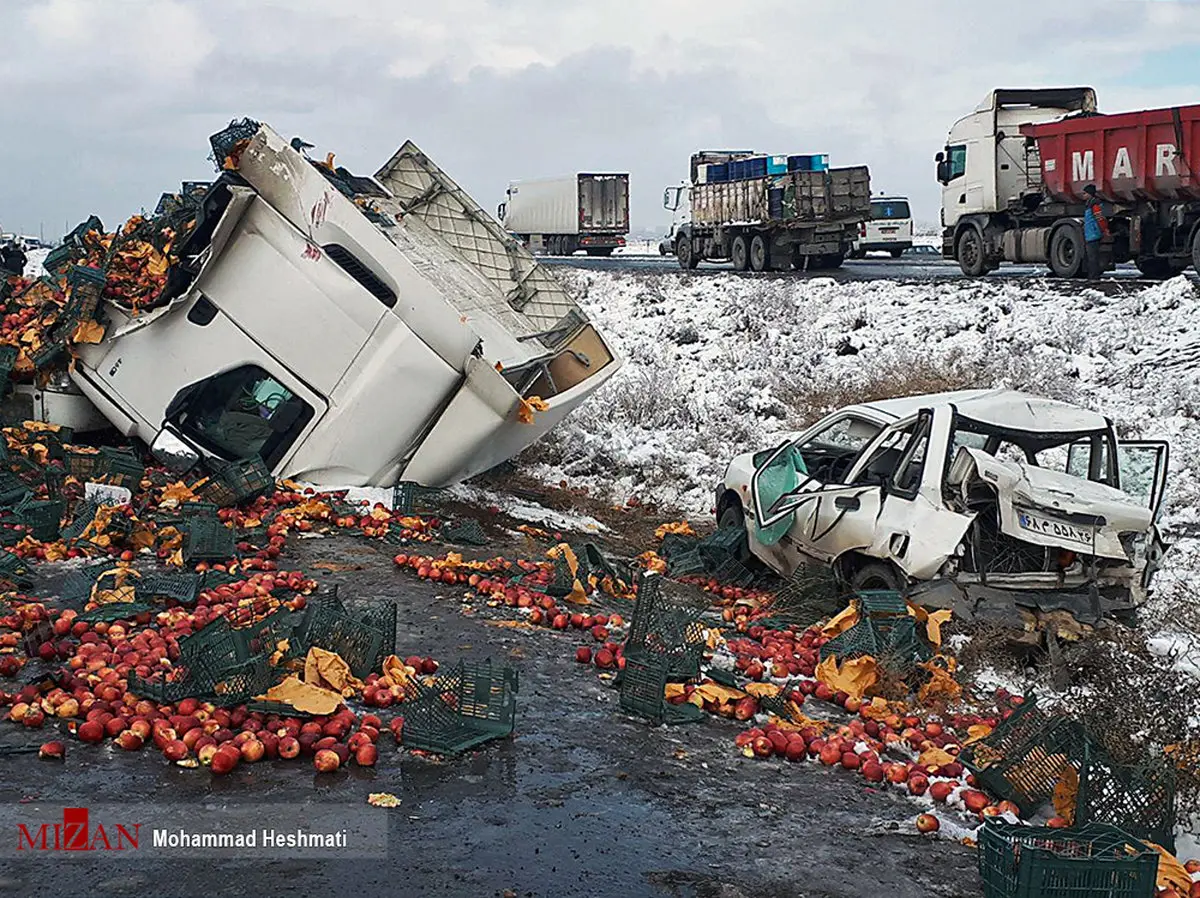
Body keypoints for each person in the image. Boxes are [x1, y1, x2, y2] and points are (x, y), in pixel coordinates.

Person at [1082, 184, 1110, 281]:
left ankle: (1094, 277)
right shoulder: (1090, 204)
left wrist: (1103, 230)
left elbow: (1100, 219)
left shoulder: (1094, 205)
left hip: (1093, 234)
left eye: (1085, 193)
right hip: (1091, 234)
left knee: (1093, 257)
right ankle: (1092, 276)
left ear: (1090, 194)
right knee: (1091, 257)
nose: (1083, 195)